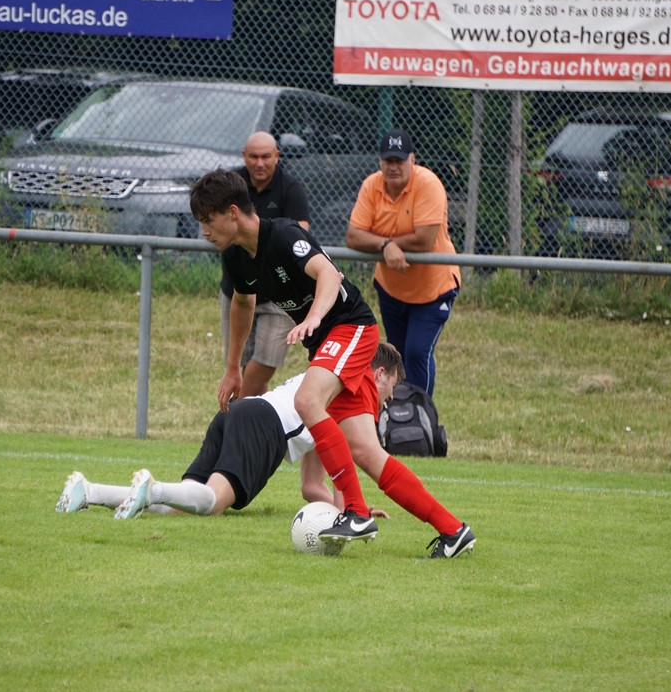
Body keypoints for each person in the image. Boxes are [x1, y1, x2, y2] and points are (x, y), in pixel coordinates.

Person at [191, 169, 475, 557]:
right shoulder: (237, 258)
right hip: (328, 342)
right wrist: (232, 367)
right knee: (367, 454)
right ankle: (454, 530)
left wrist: (312, 317)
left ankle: (355, 513)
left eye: (208, 220)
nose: (204, 231)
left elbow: (327, 273)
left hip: (352, 327)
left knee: (307, 400)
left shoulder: (284, 234)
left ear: (233, 213)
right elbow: (243, 303)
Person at [54, 344, 402, 520]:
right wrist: (351, 515)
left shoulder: (325, 382)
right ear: (379, 374)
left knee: (184, 504)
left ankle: (89, 491)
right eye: (392, 387)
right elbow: (345, 472)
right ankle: (151, 487)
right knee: (213, 503)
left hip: (240, 412)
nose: (389, 399)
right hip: (263, 424)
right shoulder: (351, 392)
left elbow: (312, 487)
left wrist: (348, 510)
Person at [346, 128, 462, 397]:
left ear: (413, 160)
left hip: (434, 289)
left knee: (417, 351)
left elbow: (425, 240)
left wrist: (385, 242)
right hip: (391, 289)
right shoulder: (372, 185)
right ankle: (397, 411)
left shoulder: (428, 184)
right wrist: (386, 246)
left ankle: (421, 413)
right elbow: (353, 235)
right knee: (395, 355)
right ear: (380, 162)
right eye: (388, 160)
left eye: (399, 160)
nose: (393, 167)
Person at [219, 131, 311, 397]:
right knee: (241, 362)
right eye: (254, 157)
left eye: (266, 157)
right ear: (244, 156)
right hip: (237, 291)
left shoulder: (290, 189)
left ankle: (234, 413)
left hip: (278, 295)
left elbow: (300, 234)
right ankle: (254, 416)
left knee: (264, 363)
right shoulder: (231, 186)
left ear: (277, 156)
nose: (260, 163)